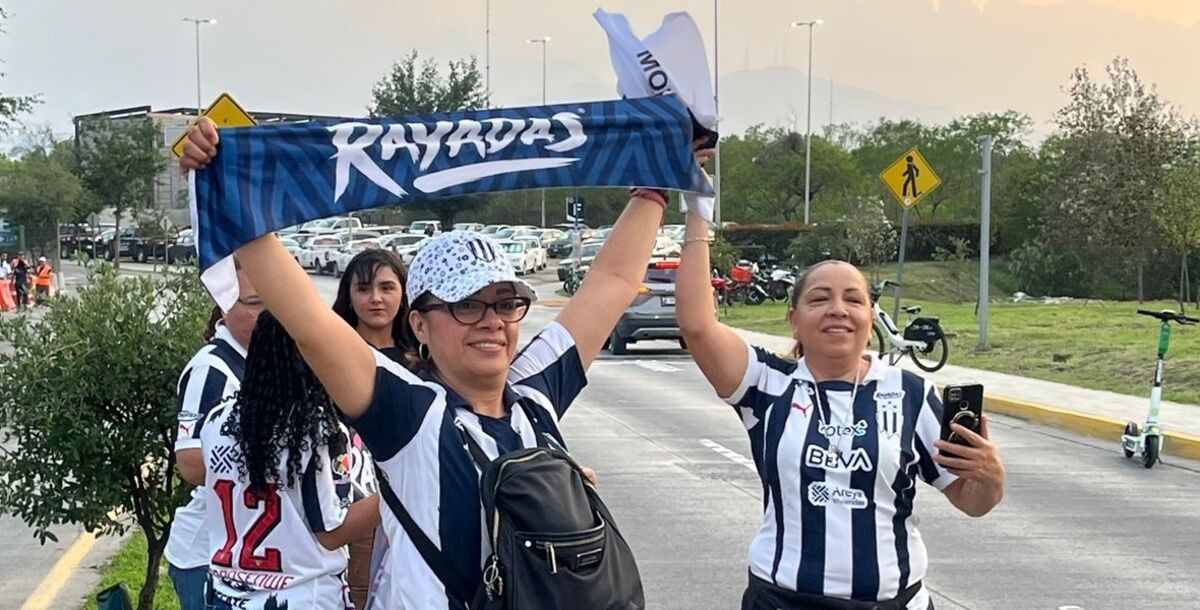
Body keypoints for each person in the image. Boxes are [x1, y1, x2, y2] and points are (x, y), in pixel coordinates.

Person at [180, 115, 711, 608]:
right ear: (419, 324)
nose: (491, 321)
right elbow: (308, 321)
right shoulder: (408, 413)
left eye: (506, 303)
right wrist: (225, 178)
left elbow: (613, 283)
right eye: (465, 304)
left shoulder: (535, 398)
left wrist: (658, 180)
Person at [675, 210, 1006, 610]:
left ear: (870, 319)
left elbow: (972, 501)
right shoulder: (767, 382)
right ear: (794, 321)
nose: (838, 309)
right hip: (783, 601)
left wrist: (990, 478)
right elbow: (697, 325)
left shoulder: (911, 393)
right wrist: (697, 210)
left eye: (854, 300)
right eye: (819, 299)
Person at [200, 311, 380, 610]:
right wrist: (393, 495)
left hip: (225, 596)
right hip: (299, 596)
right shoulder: (318, 430)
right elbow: (330, 534)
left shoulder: (217, 420)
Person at [166, 267, 264, 610]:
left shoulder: (259, 363)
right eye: (254, 303)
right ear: (224, 306)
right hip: (205, 558)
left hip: (244, 555)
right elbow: (191, 464)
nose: (266, 314)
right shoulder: (212, 369)